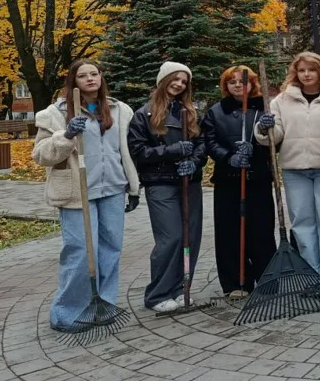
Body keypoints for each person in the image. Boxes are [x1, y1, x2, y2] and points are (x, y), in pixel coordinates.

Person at [32, 60, 140, 332]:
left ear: (101, 77)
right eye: (83, 75)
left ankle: (103, 305)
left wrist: (134, 186)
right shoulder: (54, 114)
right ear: (73, 81)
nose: (90, 79)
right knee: (80, 252)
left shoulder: (120, 110)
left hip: (113, 189)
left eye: (94, 74)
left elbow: (127, 151)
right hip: (77, 192)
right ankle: (66, 313)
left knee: (110, 250)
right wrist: (66, 135)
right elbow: (41, 155)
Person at [254, 52, 320, 289]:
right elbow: (275, 137)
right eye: (302, 70)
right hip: (295, 170)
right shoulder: (282, 100)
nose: (306, 74)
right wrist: (264, 129)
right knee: (302, 224)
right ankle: (311, 274)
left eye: (311, 70)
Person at [127, 62, 208, 313]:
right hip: (161, 183)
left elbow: (202, 144)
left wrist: (194, 162)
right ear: (163, 80)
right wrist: (172, 151)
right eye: (175, 79)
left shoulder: (190, 112)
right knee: (171, 238)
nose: (179, 84)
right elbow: (138, 151)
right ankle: (157, 294)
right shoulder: (144, 114)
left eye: (184, 81)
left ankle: (180, 289)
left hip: (189, 182)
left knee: (190, 237)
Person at [201, 65, 276, 298]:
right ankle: (236, 282)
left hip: (257, 178)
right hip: (229, 180)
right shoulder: (216, 111)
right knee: (229, 232)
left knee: (261, 230)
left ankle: (267, 279)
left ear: (252, 84)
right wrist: (228, 156)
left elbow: (276, 141)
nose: (237, 85)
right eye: (231, 82)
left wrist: (259, 143)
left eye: (242, 81)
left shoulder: (263, 109)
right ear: (225, 85)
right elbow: (209, 141)